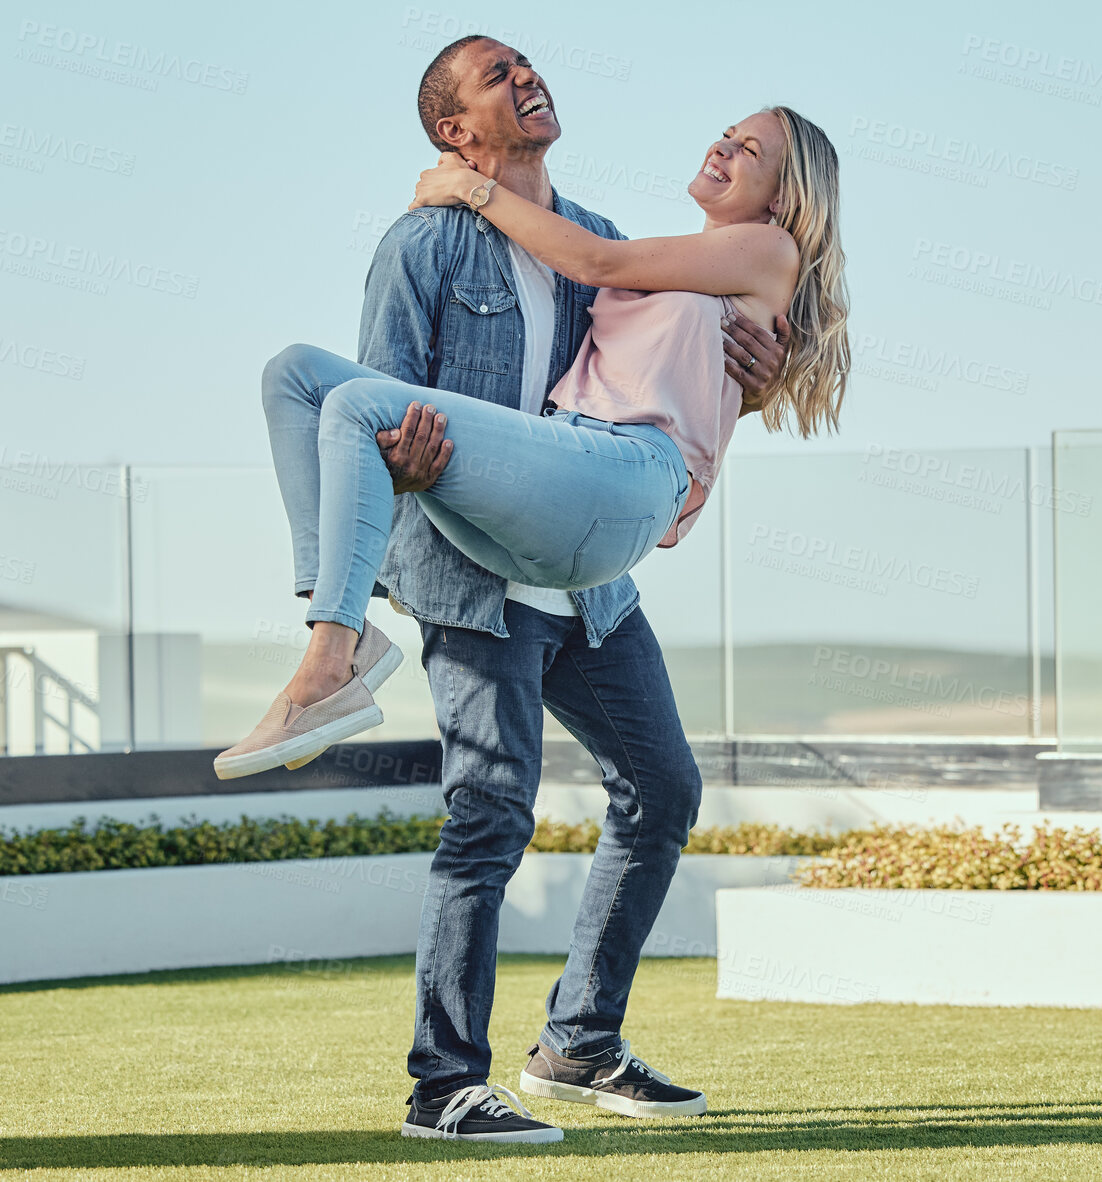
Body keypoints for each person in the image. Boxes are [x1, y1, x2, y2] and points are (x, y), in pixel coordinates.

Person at [233, 36, 848, 1142]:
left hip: (589, 565)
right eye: (493, 77)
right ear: (455, 132)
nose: (526, 77)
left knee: (661, 791)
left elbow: (658, 371)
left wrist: (750, 385)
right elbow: (379, 407)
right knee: (490, 811)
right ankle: (445, 1082)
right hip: (476, 568)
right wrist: (407, 478)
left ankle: (580, 1041)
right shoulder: (423, 244)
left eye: (526, 62)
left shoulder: (602, 241)